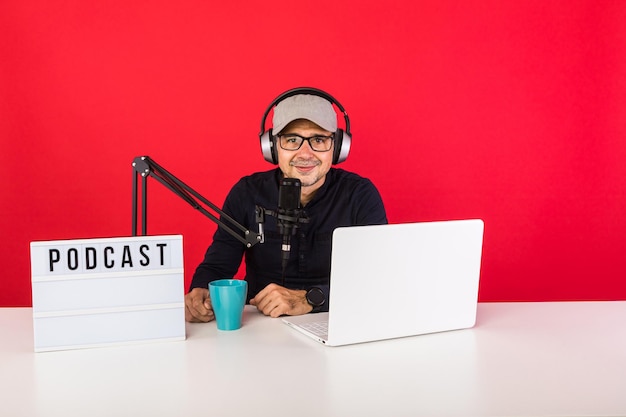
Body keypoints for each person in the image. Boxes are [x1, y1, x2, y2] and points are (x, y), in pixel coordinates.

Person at [184, 87, 387, 323]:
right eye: (292, 140)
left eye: (319, 140)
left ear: (338, 146)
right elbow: (217, 267)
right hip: (259, 327)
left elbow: (377, 278)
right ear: (271, 146)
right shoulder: (247, 193)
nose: (305, 153)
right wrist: (200, 292)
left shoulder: (360, 195)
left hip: (337, 322)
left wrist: (309, 299)